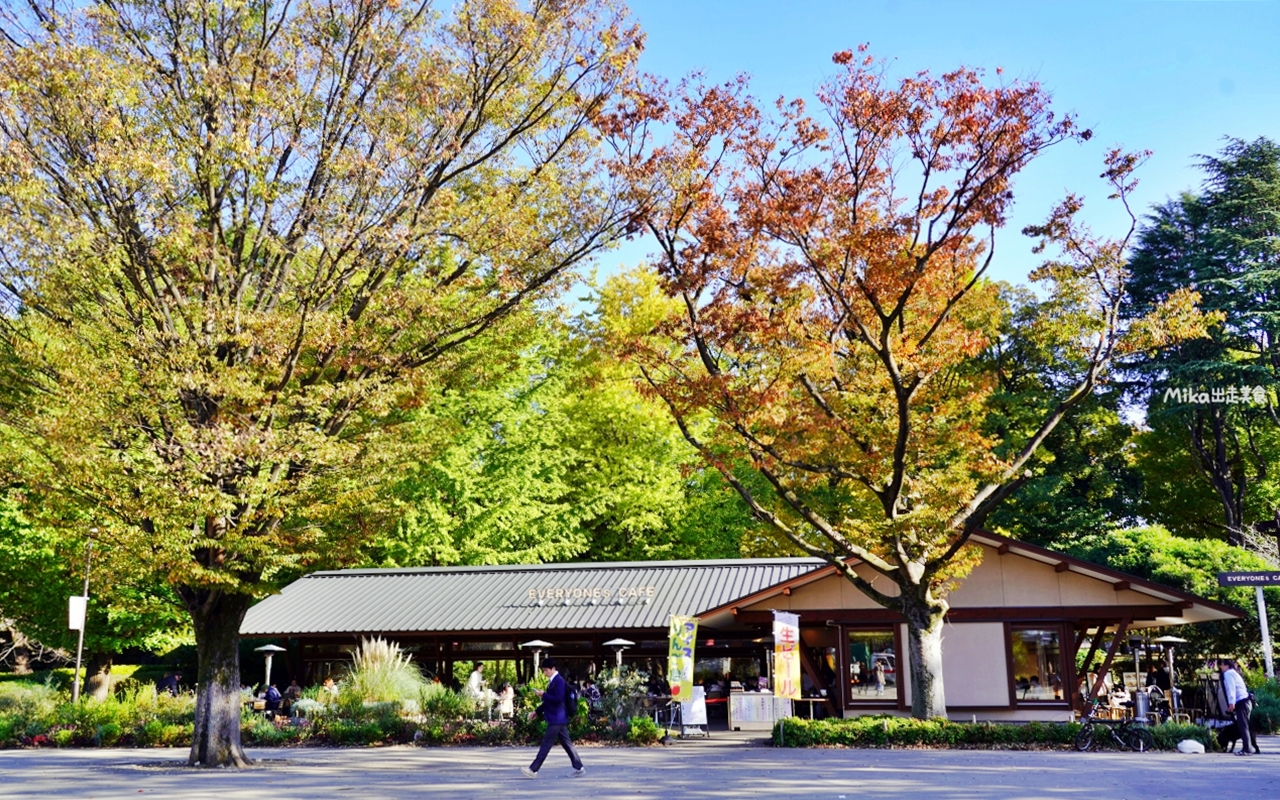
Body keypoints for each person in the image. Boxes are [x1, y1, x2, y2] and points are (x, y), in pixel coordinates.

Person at [521, 659, 585, 779]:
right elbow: (548, 702)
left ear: (553, 668)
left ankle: (533, 769)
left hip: (557, 717)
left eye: (546, 670)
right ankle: (579, 767)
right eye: (544, 670)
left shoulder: (558, 681)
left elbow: (558, 699)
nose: (545, 672)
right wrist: (536, 711)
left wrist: (543, 694)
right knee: (567, 744)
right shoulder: (553, 681)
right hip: (559, 717)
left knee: (546, 743)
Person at [1219, 659, 1257, 755]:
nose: (1220, 667)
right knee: (1244, 726)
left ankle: (1247, 749)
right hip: (1246, 701)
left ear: (1225, 665)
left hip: (1242, 702)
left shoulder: (1228, 674)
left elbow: (1231, 689)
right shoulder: (1234, 673)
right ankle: (1247, 748)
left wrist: (1231, 703)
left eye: (1221, 665)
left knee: (1242, 726)